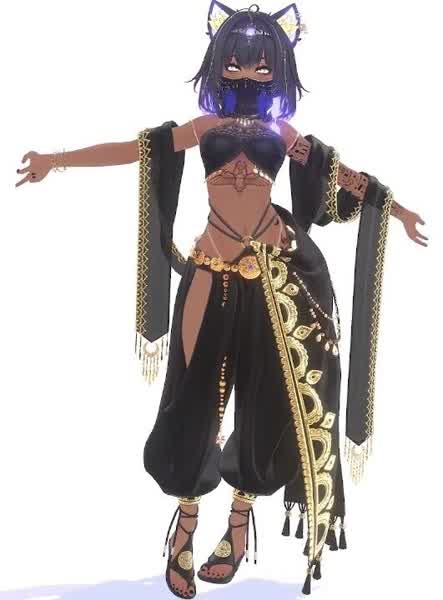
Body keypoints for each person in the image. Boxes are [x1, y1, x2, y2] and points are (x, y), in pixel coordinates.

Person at [15, 2, 428, 597]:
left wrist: (400, 209)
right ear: (219, 64)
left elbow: (346, 178)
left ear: (279, 70)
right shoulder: (203, 128)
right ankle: (185, 521)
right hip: (209, 273)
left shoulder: (283, 136)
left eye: (262, 66)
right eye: (236, 64)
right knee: (191, 396)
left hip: (273, 281)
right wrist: (55, 161)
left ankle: (238, 522)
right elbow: (136, 150)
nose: (248, 74)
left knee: (266, 402)